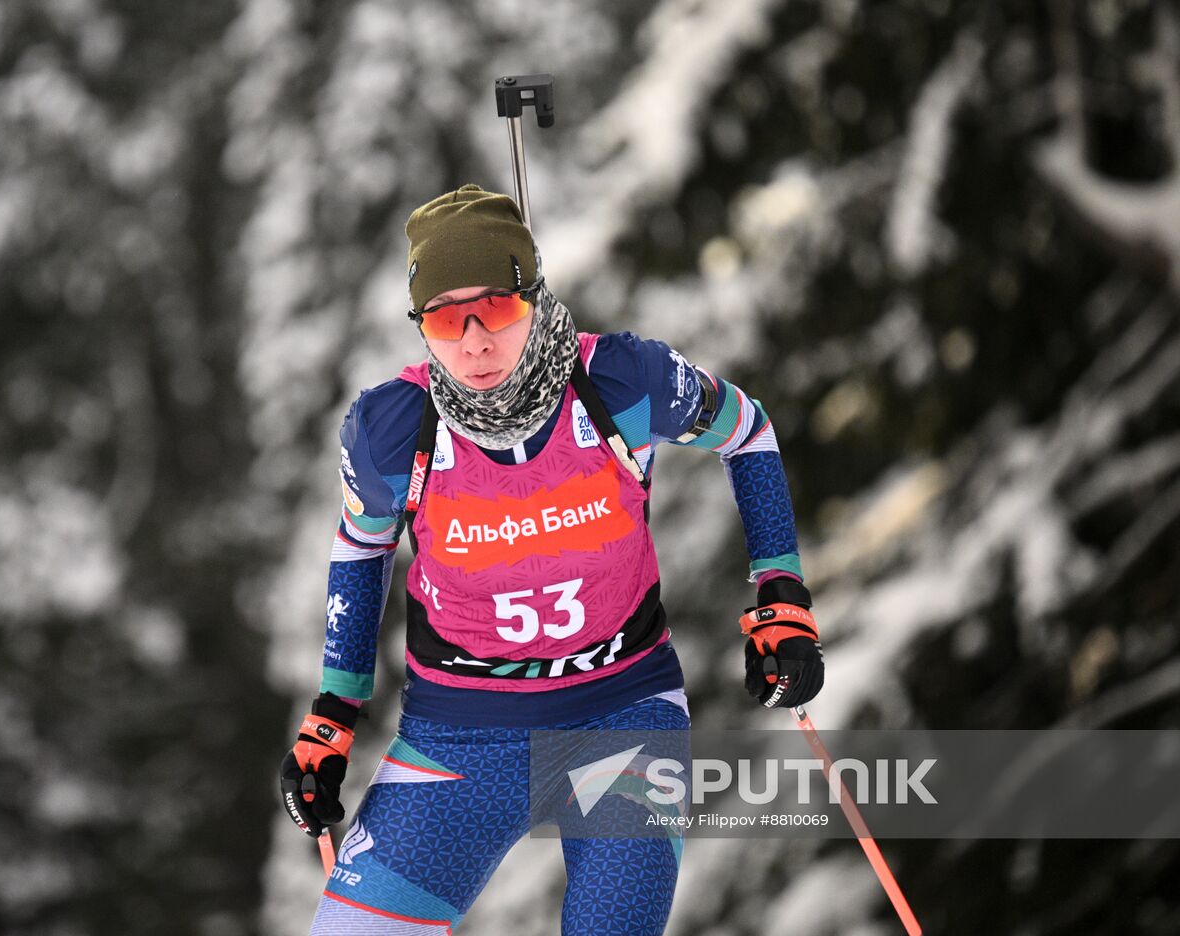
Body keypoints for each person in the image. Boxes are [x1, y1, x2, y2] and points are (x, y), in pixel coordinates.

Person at [279, 184, 824, 935]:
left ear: (532, 297)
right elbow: (361, 542)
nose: (473, 340)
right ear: (422, 327)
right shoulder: (390, 431)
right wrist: (335, 712)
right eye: (444, 317)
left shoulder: (623, 384)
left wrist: (783, 593)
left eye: (494, 309)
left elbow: (747, 432)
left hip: (623, 716)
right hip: (458, 736)